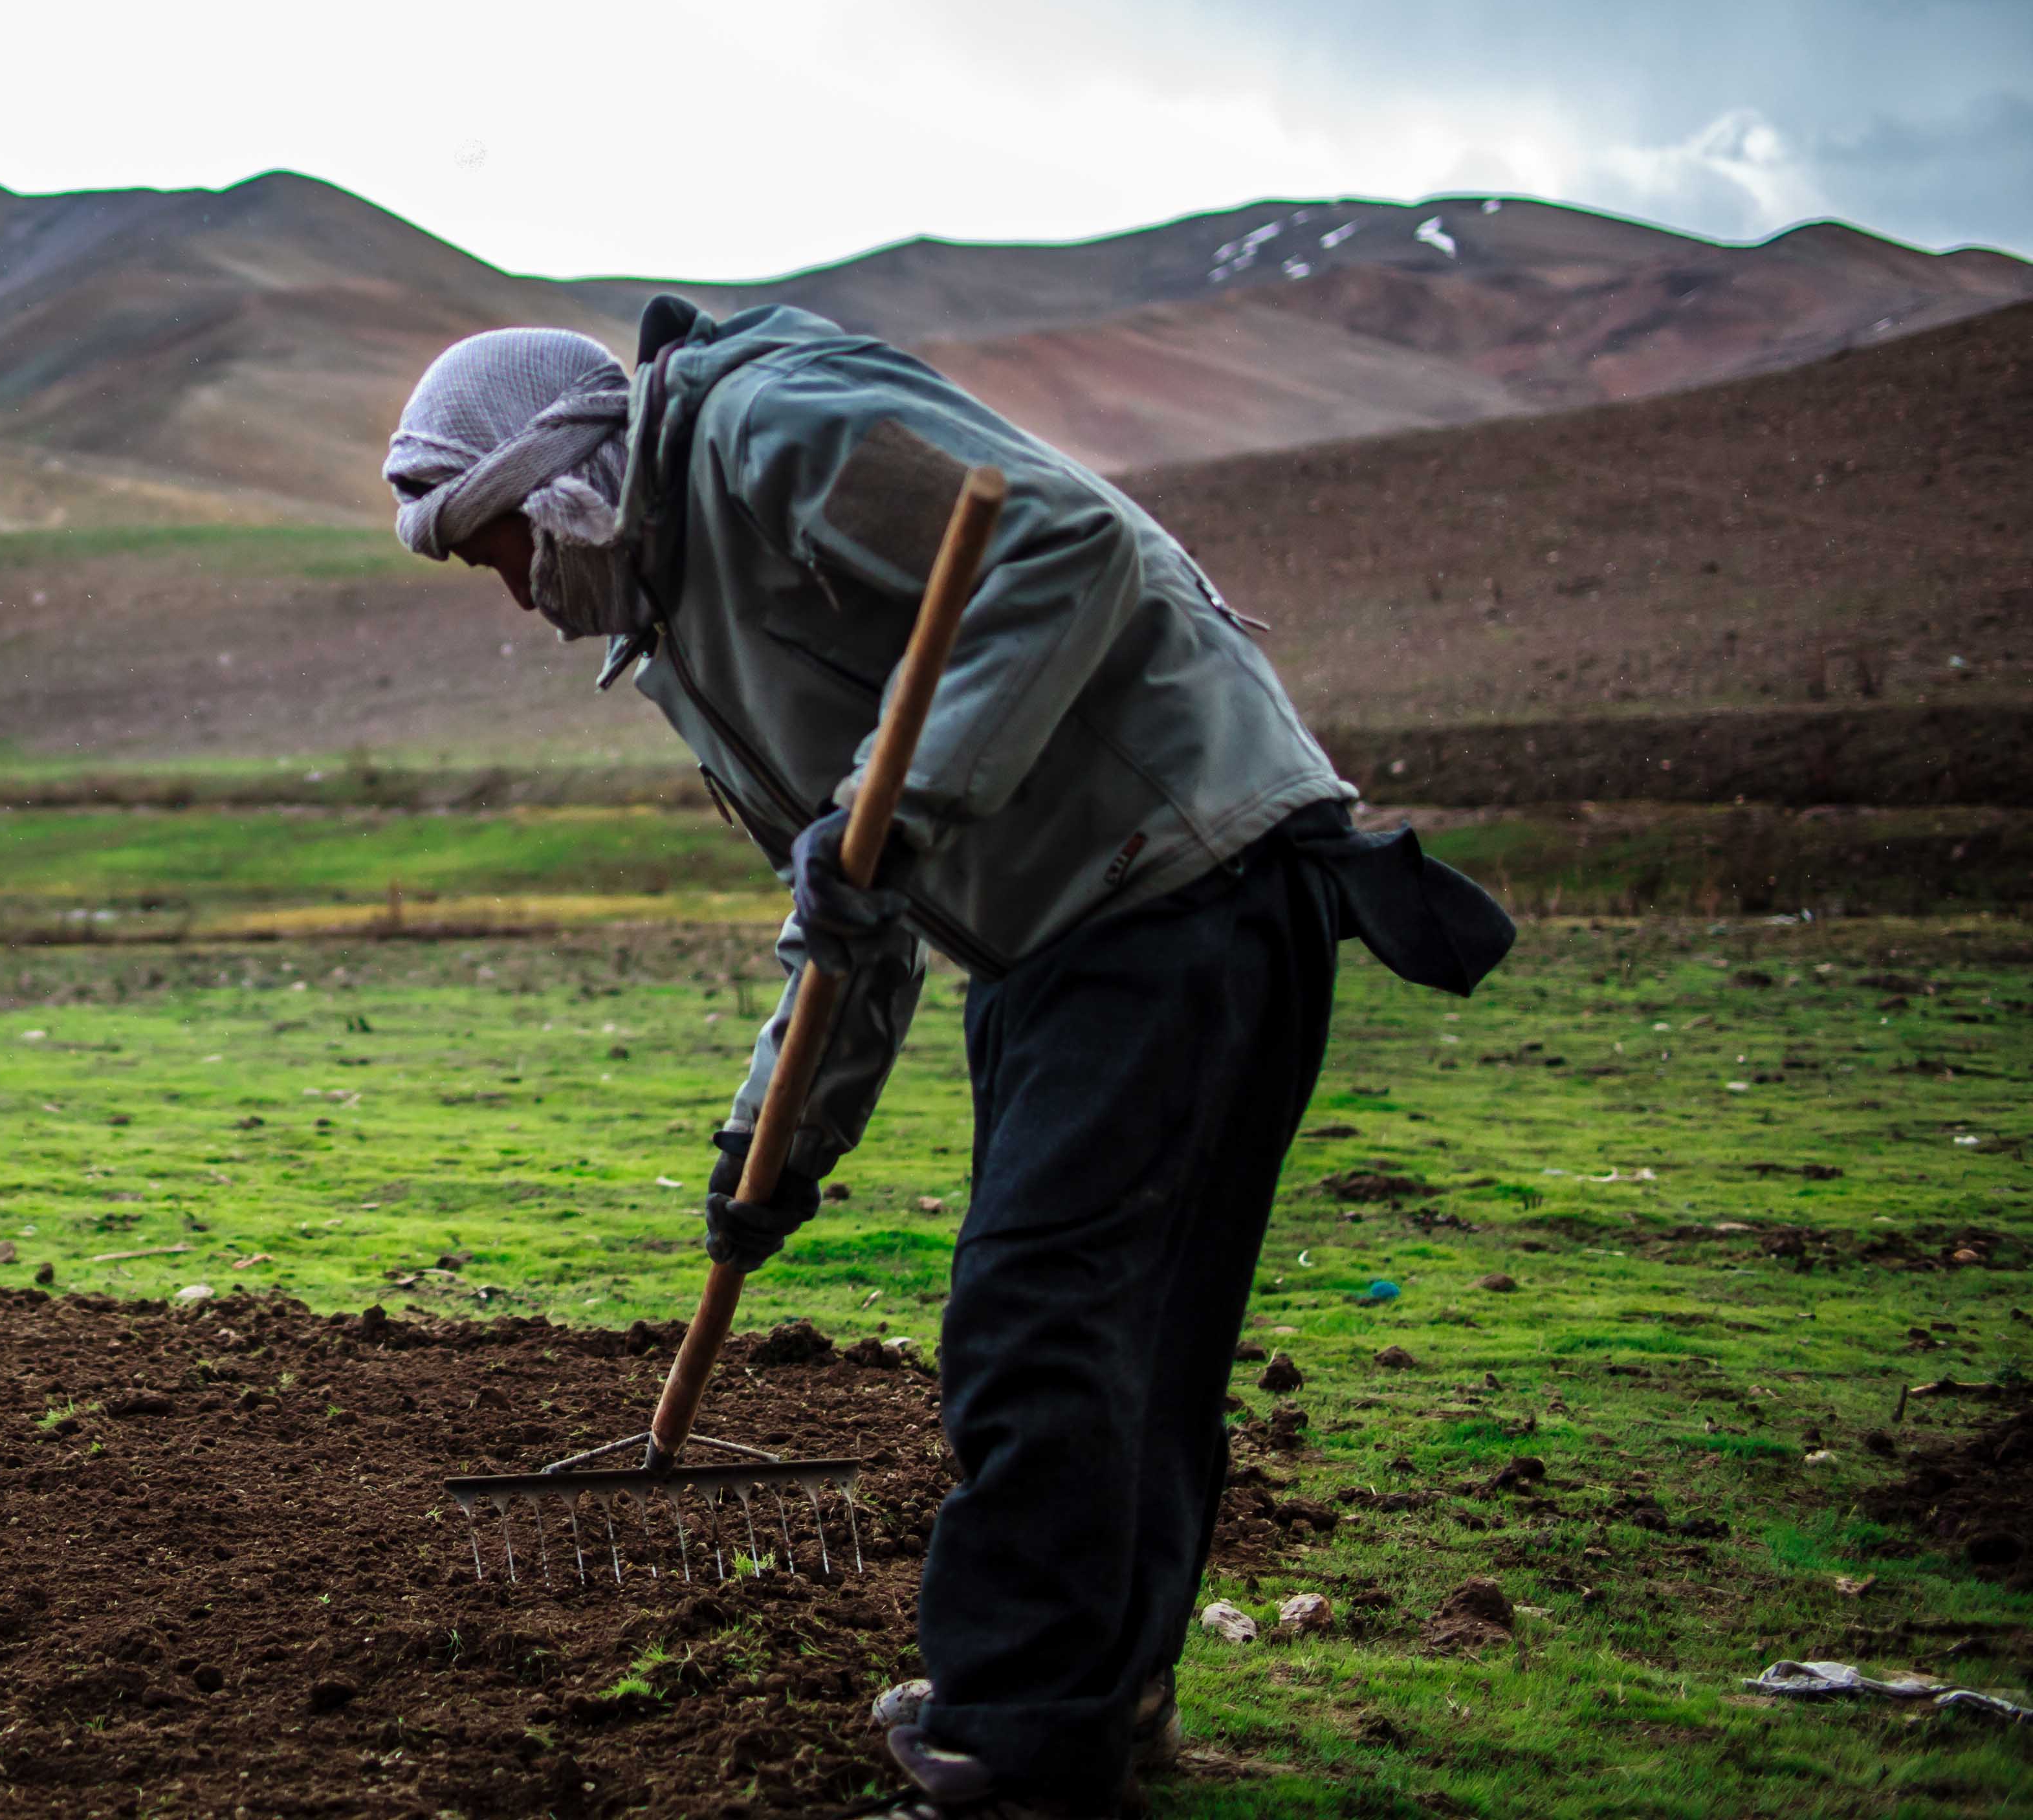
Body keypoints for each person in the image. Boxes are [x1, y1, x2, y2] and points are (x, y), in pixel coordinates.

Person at [386, 302, 1510, 1820]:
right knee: (1128, 1348)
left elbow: (1063, 552)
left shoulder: (768, 435)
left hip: (1179, 886)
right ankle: (1086, 1705)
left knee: (1044, 1325)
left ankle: (1008, 1749)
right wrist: (767, 1154)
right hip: (1090, 926)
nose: (513, 592)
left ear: (552, 478)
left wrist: (899, 812)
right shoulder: (690, 636)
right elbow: (854, 909)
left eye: (496, 549)